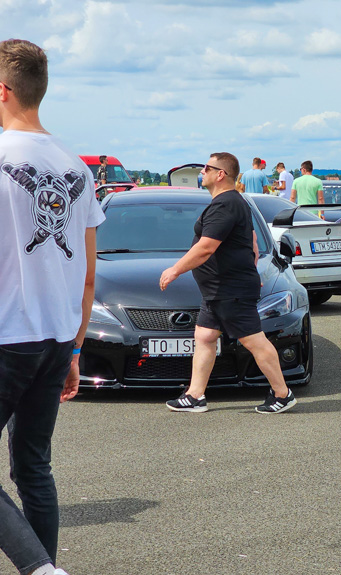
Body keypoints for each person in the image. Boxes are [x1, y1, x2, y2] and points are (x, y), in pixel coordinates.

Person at [0, 38, 105, 575]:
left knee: (31, 468)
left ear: (2, 90)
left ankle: (41, 569)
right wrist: (75, 346)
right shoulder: (76, 166)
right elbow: (87, 273)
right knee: (33, 468)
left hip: (7, 337)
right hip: (55, 338)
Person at [160, 152, 297, 414]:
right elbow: (254, 244)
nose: (202, 173)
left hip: (229, 289)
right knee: (205, 335)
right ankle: (195, 395)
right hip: (218, 289)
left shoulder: (225, 205)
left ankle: (283, 394)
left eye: (206, 168)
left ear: (220, 174)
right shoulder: (236, 202)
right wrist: (251, 270)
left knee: (254, 340)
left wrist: (175, 270)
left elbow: (206, 247)